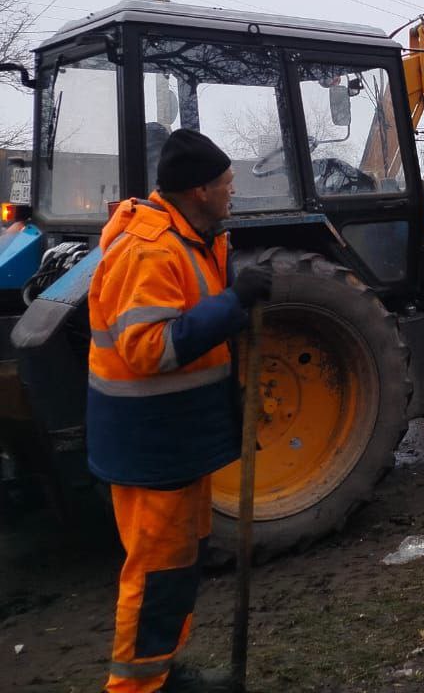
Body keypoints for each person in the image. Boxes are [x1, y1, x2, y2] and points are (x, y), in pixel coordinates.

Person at [86, 129, 273, 693]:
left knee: (181, 561)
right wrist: (234, 304)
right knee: (156, 572)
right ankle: (136, 687)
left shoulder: (194, 236)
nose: (231, 192)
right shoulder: (150, 251)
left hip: (178, 440)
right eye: (225, 184)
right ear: (198, 191)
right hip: (151, 444)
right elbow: (151, 348)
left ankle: (161, 670)